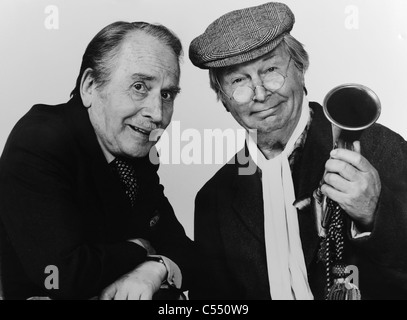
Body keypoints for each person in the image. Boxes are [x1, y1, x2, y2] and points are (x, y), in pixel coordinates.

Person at [188, 2, 407, 300]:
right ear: (224, 99)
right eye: (239, 81)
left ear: (301, 69)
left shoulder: (378, 146)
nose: (261, 94)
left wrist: (374, 214)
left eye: (271, 70)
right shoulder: (214, 201)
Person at [0, 21, 196, 300]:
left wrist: (153, 270)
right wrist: (141, 247)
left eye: (166, 95)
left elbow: (188, 253)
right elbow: (60, 275)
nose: (157, 113)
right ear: (90, 86)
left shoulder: (134, 154)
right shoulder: (40, 139)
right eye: (139, 86)